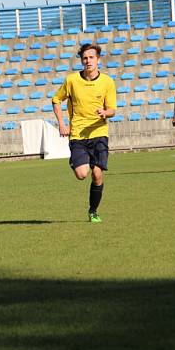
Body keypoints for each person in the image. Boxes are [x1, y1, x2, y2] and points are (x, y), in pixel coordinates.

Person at [51, 43, 117, 223]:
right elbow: (56, 100)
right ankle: (76, 159)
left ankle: (93, 211)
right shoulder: (72, 80)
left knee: (97, 174)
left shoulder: (107, 82)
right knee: (82, 175)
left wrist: (105, 113)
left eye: (91, 57)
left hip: (99, 132)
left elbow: (112, 109)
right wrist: (62, 124)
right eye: (85, 58)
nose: (88, 61)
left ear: (98, 59)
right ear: (81, 60)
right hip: (78, 134)